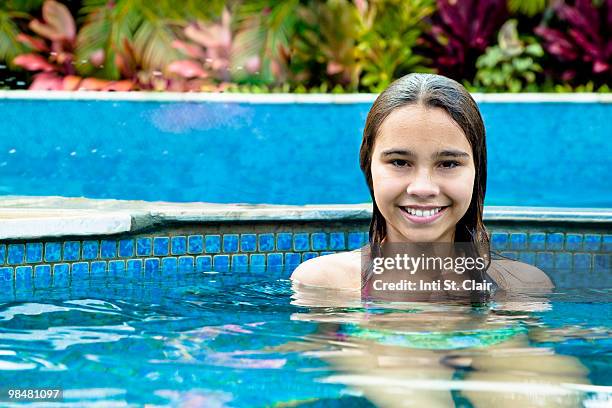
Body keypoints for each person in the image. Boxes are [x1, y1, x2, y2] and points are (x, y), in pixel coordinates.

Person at [290, 73, 553, 293]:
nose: (423, 188)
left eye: (448, 163)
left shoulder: (521, 288)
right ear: (368, 166)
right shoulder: (323, 284)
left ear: (477, 170)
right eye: (400, 162)